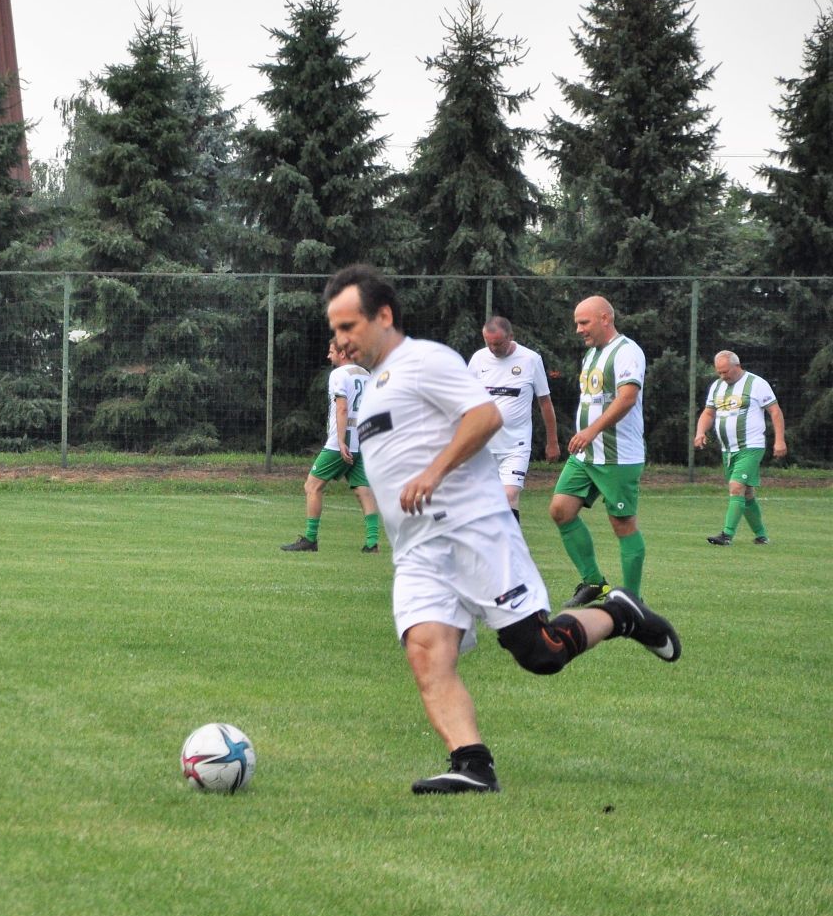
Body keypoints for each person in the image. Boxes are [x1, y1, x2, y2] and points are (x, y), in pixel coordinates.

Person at [322, 264, 679, 795]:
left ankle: (619, 613)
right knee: (426, 651)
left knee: (541, 653)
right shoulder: (374, 388)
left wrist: (435, 471)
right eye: (335, 330)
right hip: (420, 551)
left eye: (349, 326)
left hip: (472, 529)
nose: (341, 339)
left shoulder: (424, 360)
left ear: (384, 316)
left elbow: (484, 418)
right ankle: (472, 764)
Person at [549, 295, 649, 605]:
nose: (578, 329)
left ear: (605, 318)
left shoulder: (627, 352)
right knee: (560, 511)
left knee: (622, 524)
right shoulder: (592, 355)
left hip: (618, 455)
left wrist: (591, 430)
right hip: (586, 455)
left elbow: (627, 398)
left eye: (584, 322)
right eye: (576, 323)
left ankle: (631, 599)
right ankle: (594, 583)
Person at [281, 342, 382, 553]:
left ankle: (310, 539)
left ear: (343, 353)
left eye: (331, 351)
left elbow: (342, 408)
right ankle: (372, 543)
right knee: (363, 490)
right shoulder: (366, 374)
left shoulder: (338, 375)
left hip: (340, 444)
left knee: (312, 486)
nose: (328, 356)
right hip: (362, 441)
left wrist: (342, 441)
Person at [465, 315, 560, 520]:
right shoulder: (478, 359)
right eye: (489, 344)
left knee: (508, 496)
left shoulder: (531, 359)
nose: (493, 349)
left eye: (498, 344)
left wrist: (552, 442)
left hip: (516, 445)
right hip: (483, 445)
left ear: (511, 336)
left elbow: (545, 402)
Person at [694, 350, 787, 545]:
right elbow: (708, 413)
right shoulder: (717, 386)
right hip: (728, 450)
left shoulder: (757, 384)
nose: (722, 376)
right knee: (746, 493)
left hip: (751, 446)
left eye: (725, 371)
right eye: (719, 372)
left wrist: (780, 440)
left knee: (736, 487)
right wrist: (700, 432)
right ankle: (761, 536)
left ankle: (726, 535)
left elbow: (775, 412)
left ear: (737, 366)